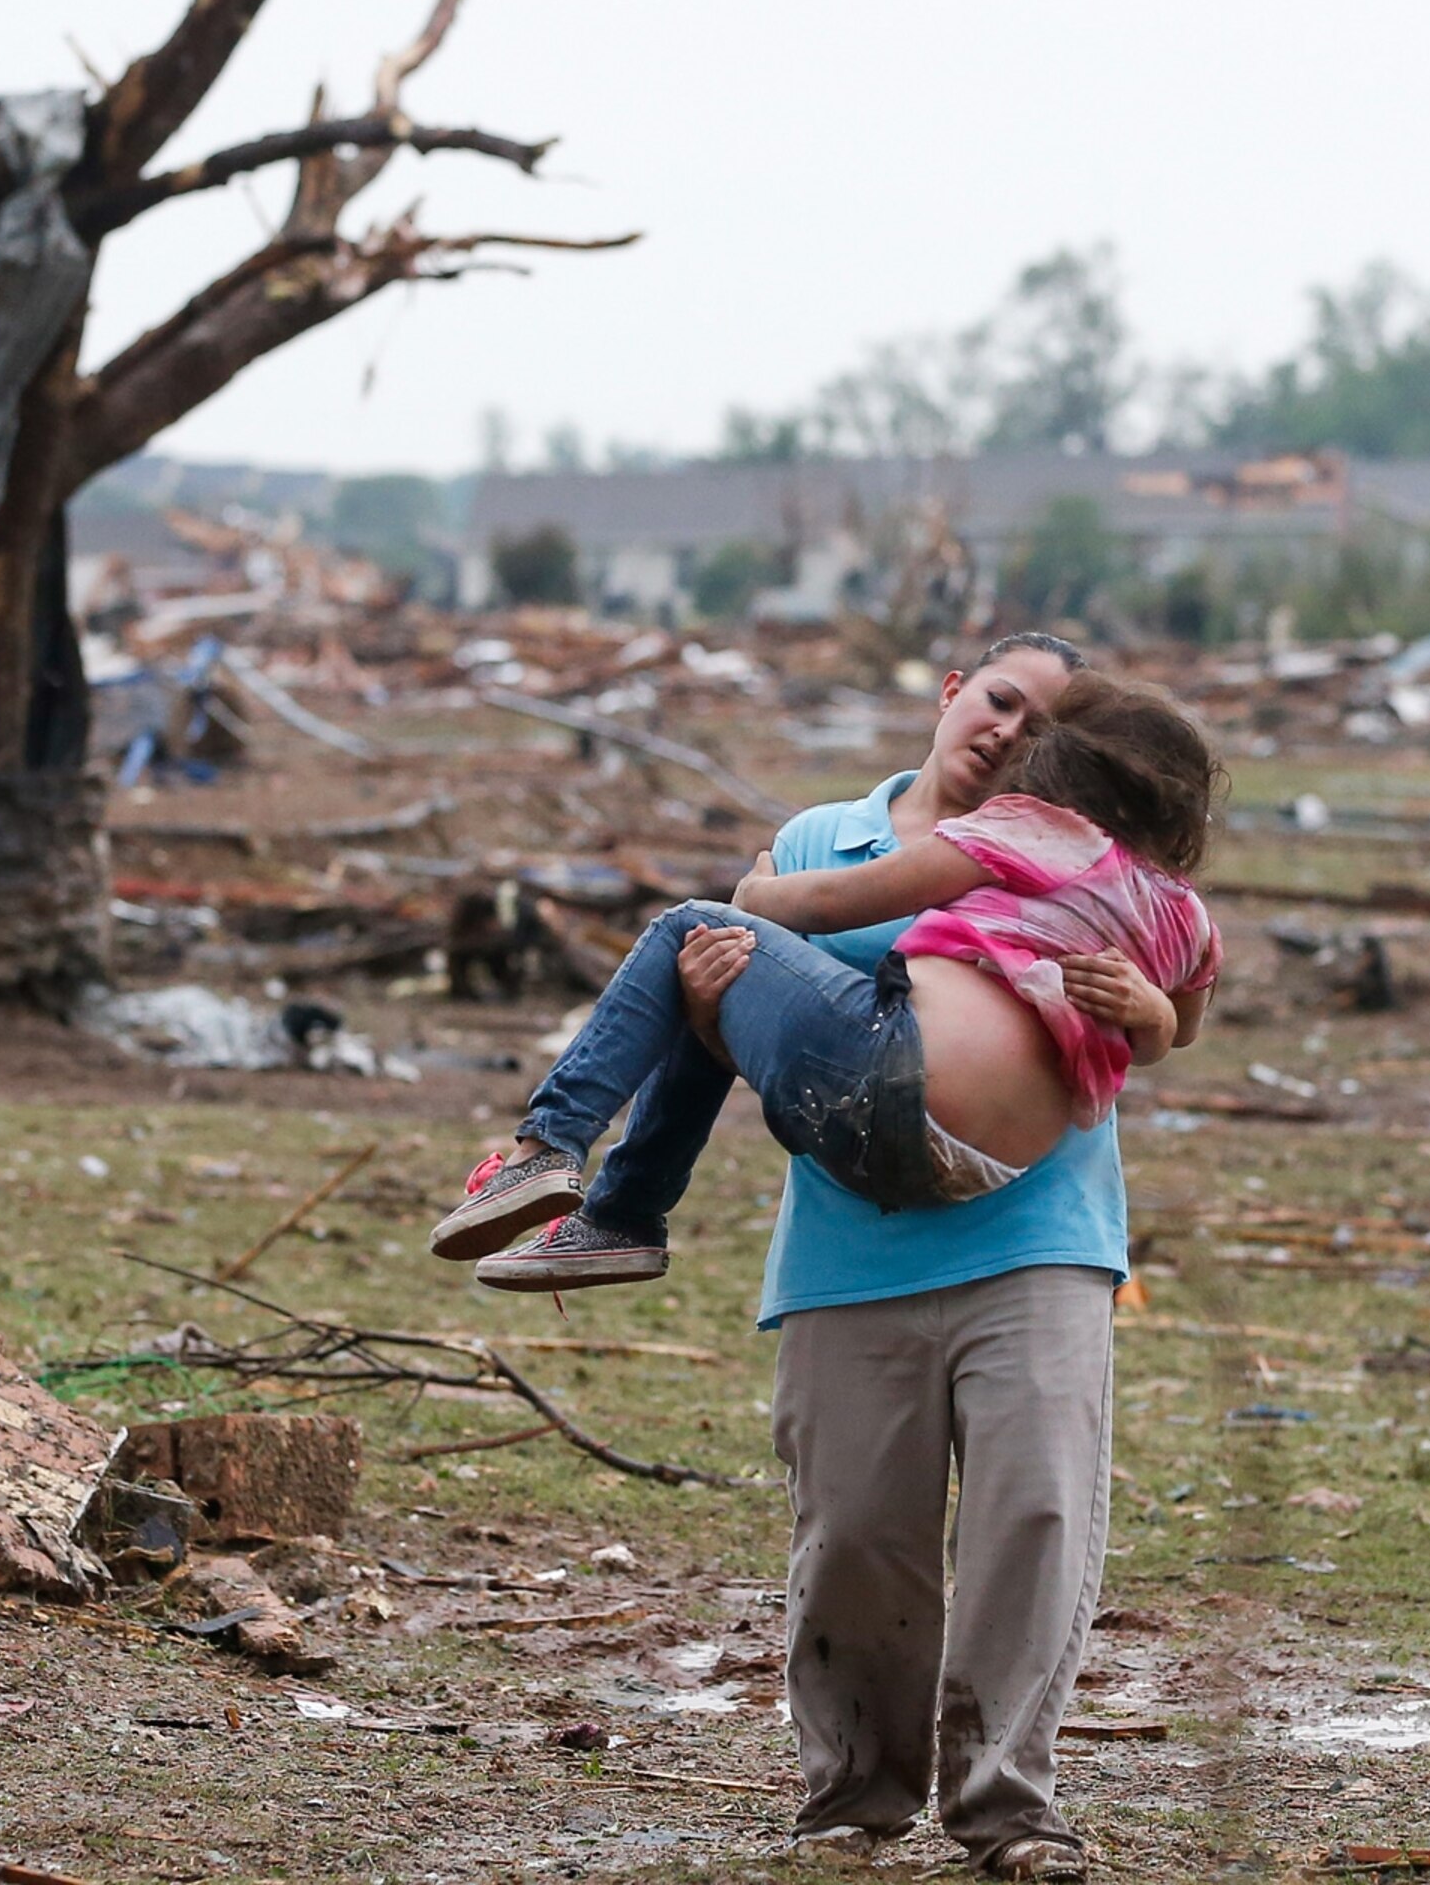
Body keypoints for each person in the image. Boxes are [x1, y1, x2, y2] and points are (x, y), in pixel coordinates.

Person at [466, 632, 1185, 1877]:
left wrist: (1154, 1006)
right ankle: (855, 1799)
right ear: (952, 688)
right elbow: (770, 1032)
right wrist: (704, 999)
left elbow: (1174, 1004)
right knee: (854, 1538)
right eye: (1000, 700)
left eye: (1046, 725)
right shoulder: (818, 845)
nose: (1012, 732)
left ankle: (1010, 1808)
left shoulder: (1090, 859)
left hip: (1041, 1243)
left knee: (1037, 1517)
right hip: (851, 1254)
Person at [428, 670, 1220, 1272]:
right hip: (977, 1170)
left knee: (692, 934)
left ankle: (554, 1154)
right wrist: (1149, 1010)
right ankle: (619, 1215)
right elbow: (1181, 1029)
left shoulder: (1032, 827)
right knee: (717, 969)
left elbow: (839, 901)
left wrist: (753, 894)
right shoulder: (1186, 913)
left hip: (892, 1082)